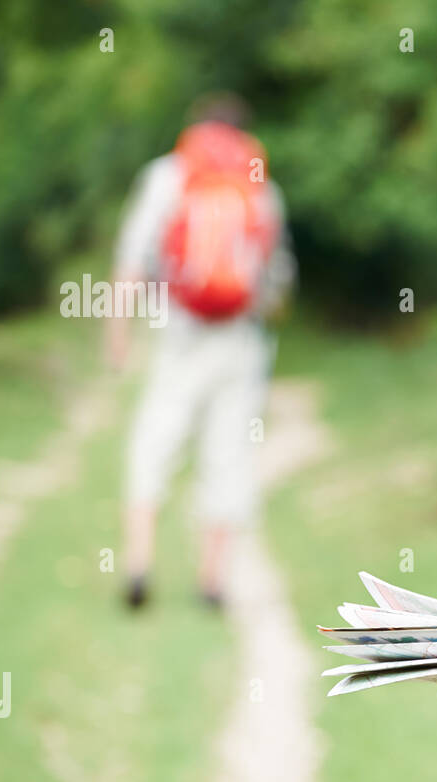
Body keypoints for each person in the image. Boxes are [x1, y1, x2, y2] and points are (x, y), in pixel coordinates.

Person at [106, 93, 295, 610]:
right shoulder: (260, 186)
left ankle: (138, 564)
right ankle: (212, 582)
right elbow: (277, 280)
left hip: (178, 336)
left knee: (154, 443)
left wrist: (118, 338)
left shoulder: (167, 176)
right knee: (229, 454)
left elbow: (132, 260)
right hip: (239, 340)